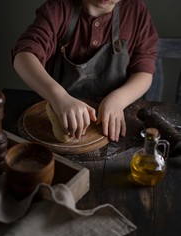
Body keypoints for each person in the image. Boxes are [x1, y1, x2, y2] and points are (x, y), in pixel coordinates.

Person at [11, 0, 158, 142]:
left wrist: (118, 100)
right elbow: (23, 56)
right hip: (58, 107)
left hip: (114, 115)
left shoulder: (136, 10)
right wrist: (59, 96)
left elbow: (144, 71)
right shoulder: (58, 8)